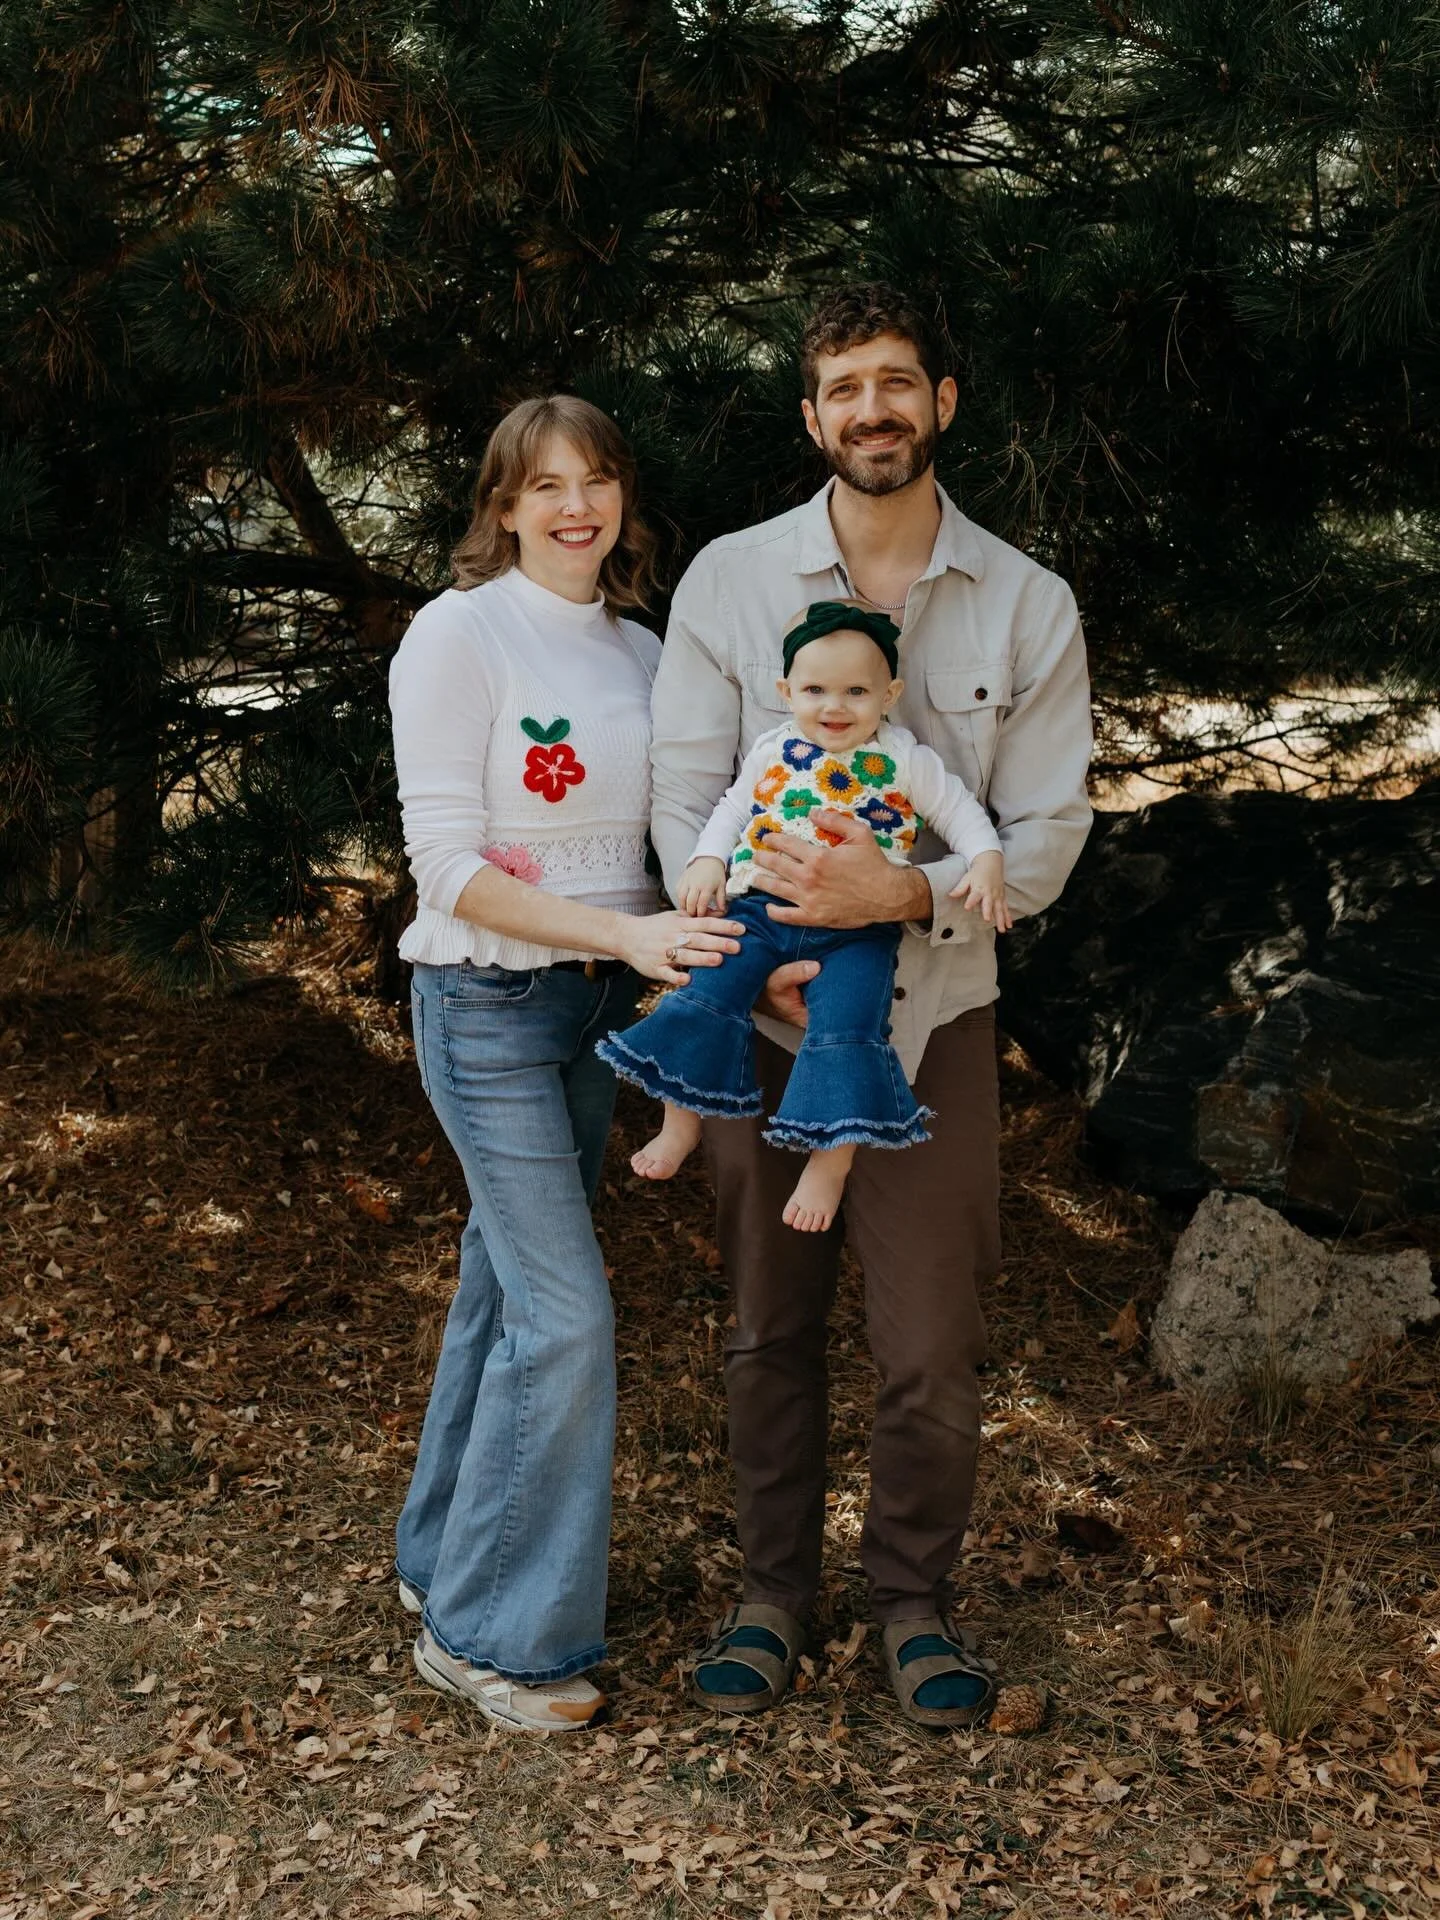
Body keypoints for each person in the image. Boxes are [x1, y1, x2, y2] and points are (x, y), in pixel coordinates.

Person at [649, 283, 1093, 1727]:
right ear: (812, 417)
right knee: (768, 1324)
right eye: (845, 389)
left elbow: (1046, 824)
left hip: (938, 1015)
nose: (873, 410)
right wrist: (748, 944)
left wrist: (898, 899)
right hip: (764, 1003)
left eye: (898, 382)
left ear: (942, 402)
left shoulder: (1027, 602)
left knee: (926, 1340)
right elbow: (685, 794)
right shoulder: (727, 582)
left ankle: (914, 1601)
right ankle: (772, 1594)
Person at [388, 394, 746, 1735]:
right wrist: (626, 935)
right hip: (484, 1006)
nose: (572, 504)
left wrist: (692, 979)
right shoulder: (456, 634)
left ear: (620, 503)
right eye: (543, 485)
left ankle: (440, 1566)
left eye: (594, 479)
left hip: (599, 1006)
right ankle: (498, 1640)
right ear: (501, 506)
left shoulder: (649, 653)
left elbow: (678, 848)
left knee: (503, 1287)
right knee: (568, 1314)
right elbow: (452, 870)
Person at [598, 599, 1009, 1233]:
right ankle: (680, 1122)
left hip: (859, 929)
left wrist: (983, 860)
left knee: (850, 1024)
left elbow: (957, 811)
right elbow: (732, 811)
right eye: (815, 689)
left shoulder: (902, 756)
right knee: (710, 983)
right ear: (787, 690)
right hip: (762, 908)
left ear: (889, 693)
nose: (834, 706)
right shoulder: (773, 748)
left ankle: (830, 1161)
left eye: (856, 691)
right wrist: (707, 862)